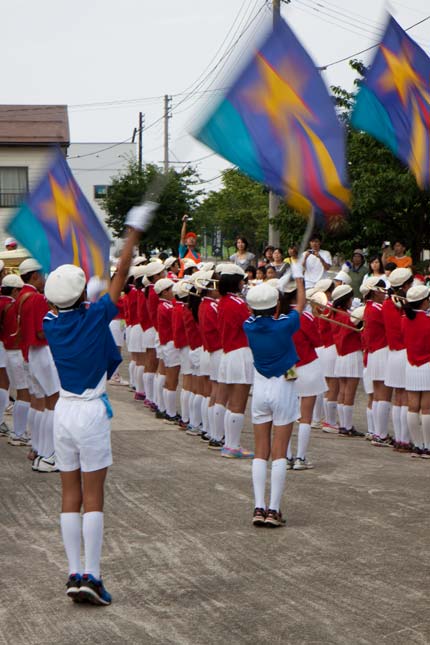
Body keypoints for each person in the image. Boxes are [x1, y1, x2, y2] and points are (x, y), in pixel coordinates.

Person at [42, 200, 155, 606]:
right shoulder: (93, 318)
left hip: (64, 411)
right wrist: (132, 234)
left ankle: (73, 572)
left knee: (69, 494)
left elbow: (68, 302)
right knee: (94, 497)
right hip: (90, 411)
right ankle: (93, 574)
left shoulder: (49, 322)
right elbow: (121, 275)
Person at [244, 264, 305, 527]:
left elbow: (260, 312)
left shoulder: (248, 326)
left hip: (260, 390)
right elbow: (300, 304)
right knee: (279, 452)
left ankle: (258, 507)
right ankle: (274, 509)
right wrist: (300, 278)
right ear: (276, 306)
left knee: (261, 451)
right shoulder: (284, 325)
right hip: (283, 386)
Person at [16, 258, 60, 473]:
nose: (44, 280)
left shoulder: (21, 298)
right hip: (42, 351)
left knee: (40, 402)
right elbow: (42, 330)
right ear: (34, 276)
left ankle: (39, 448)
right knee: (53, 401)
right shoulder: (36, 298)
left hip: (31, 353)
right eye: (41, 276)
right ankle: (48, 452)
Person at [215, 263, 254, 459]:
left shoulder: (222, 301)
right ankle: (232, 445)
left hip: (229, 353)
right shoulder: (237, 303)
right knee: (238, 404)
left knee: (231, 402)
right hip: (240, 353)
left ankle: (229, 443)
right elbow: (249, 325)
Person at [383, 268, 413, 451]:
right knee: (406, 398)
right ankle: (404, 439)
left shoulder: (387, 303)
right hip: (403, 352)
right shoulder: (401, 305)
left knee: (398, 398)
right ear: (404, 286)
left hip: (393, 353)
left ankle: (399, 438)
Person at [362, 277, 392, 447]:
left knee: (379, 395)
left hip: (375, 352)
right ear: (375, 291)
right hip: (381, 350)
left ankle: (378, 433)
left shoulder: (369, 307)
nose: (385, 293)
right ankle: (381, 434)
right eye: (382, 290)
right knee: (383, 395)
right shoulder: (378, 308)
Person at [331, 285, 364, 436]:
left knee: (343, 392)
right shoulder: (346, 316)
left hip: (341, 355)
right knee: (349, 392)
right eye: (350, 298)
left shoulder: (334, 314)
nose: (351, 301)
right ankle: (347, 426)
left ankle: (344, 425)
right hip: (351, 353)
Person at [402, 285, 430, 458]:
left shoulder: (404, 319)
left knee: (412, 407)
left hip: (411, 365)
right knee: (427, 409)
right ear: (424, 302)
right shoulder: (428, 321)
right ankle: (428, 446)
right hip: (427, 365)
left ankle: (417, 445)